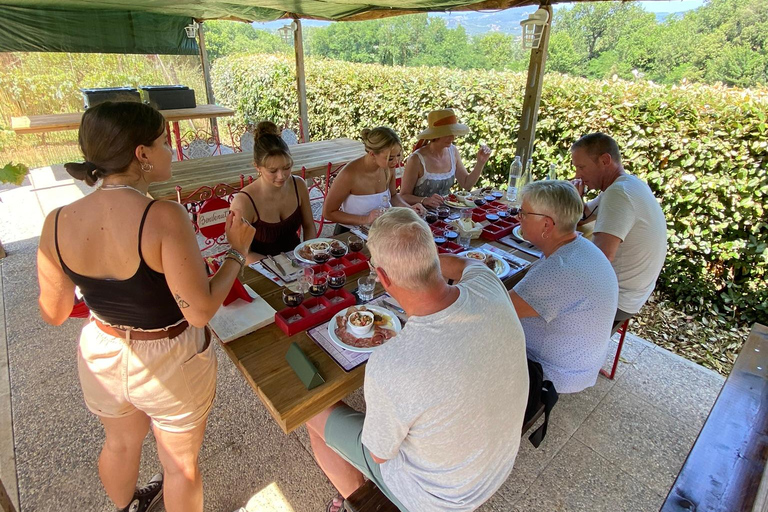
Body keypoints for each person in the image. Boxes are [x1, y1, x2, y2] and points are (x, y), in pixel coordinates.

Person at [36, 101, 255, 512]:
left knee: (119, 443)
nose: (169, 151)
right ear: (142, 155)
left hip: (103, 350)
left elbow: (54, 312)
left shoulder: (57, 220)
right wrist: (235, 254)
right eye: (162, 143)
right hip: (169, 357)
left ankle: (127, 507)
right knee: (180, 465)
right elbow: (199, 311)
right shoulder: (163, 216)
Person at [306, 207, 528, 512]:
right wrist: (425, 259)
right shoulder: (488, 283)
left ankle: (355, 501)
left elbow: (379, 453)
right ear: (432, 255)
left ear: (382, 276)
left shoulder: (390, 363)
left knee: (313, 410)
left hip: (439, 500)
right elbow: (465, 264)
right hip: (497, 466)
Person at [508, 181, 618, 393]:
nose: (518, 218)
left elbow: (497, 310)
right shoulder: (581, 246)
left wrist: (469, 270)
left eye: (523, 213)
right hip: (582, 364)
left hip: (552, 374)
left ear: (547, 225)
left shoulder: (558, 270)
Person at [570, 133, 667, 331]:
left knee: (535, 290)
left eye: (582, 167)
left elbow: (600, 259)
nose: (578, 175)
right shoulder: (627, 184)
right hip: (634, 294)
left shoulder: (619, 194)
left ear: (605, 160)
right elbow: (584, 215)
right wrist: (576, 197)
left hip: (616, 300)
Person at [229, 121, 317, 263]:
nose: (281, 176)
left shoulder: (298, 184)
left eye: (287, 167)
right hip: (260, 269)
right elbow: (240, 253)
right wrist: (279, 267)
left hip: (296, 263)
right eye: (273, 171)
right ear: (257, 167)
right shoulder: (244, 202)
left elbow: (308, 225)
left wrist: (309, 254)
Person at [323, 127, 424, 234]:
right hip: (350, 234)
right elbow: (328, 212)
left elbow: (393, 196)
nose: (396, 161)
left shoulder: (388, 168)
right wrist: (365, 219)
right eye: (390, 158)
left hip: (381, 231)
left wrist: (409, 210)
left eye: (398, 155)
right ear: (372, 153)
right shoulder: (349, 174)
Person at [400, 108, 492, 209]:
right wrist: (425, 200)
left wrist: (480, 163)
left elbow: (467, 184)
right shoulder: (416, 159)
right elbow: (403, 196)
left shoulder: (453, 152)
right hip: (421, 215)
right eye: (447, 133)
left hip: (447, 213)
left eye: (453, 132)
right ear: (435, 135)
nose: (452, 138)